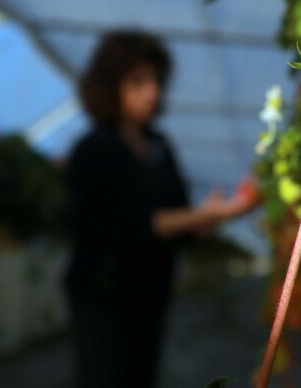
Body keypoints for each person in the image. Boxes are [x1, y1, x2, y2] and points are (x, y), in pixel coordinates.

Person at [63, 30, 258, 388]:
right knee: (104, 376)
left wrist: (204, 219)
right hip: (103, 294)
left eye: (155, 81)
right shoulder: (93, 150)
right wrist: (208, 215)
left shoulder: (159, 146)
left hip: (151, 294)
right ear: (110, 86)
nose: (151, 92)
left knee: (141, 375)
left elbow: (178, 215)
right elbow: (124, 225)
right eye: (138, 82)